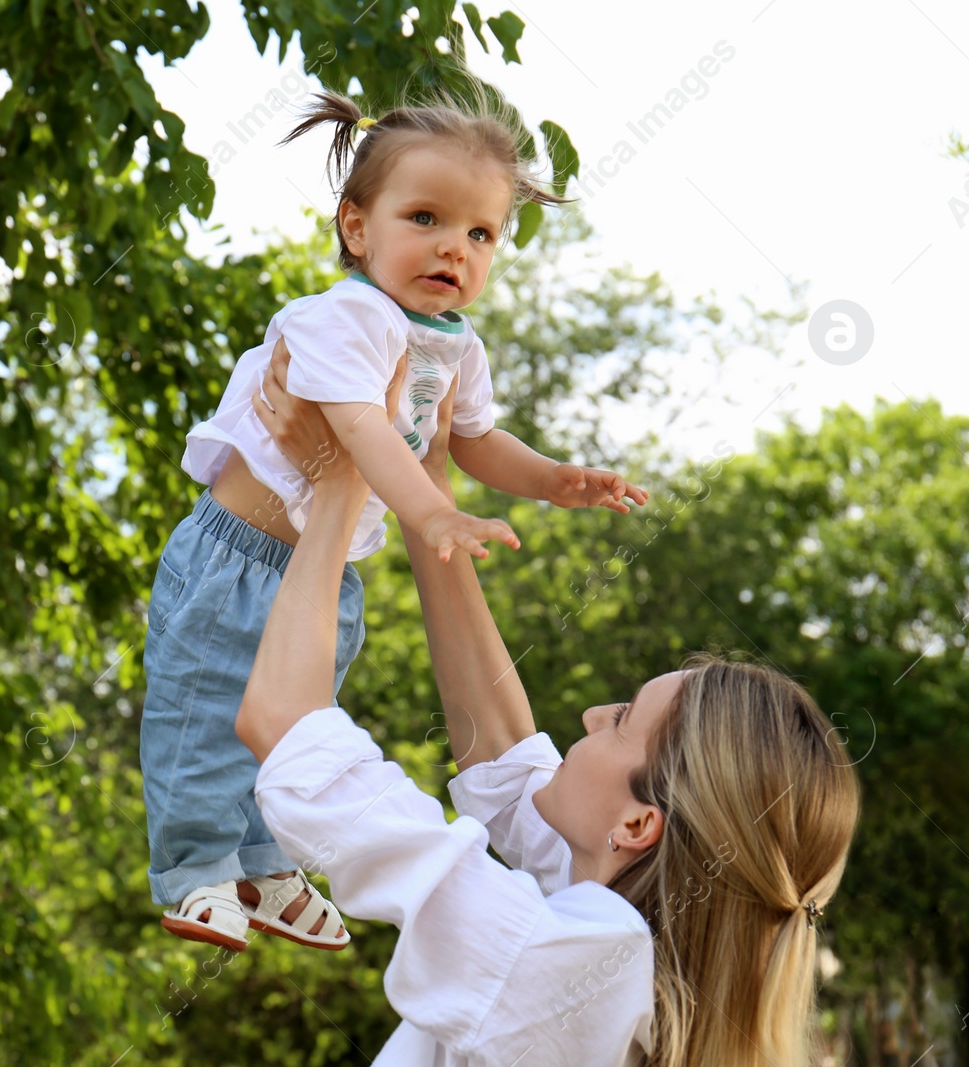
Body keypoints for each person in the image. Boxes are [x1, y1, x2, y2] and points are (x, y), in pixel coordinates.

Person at [235, 343, 862, 1066]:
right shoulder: (628, 947)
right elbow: (504, 756)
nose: (596, 713)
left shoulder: (578, 964)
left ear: (636, 823)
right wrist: (426, 475)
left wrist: (343, 483)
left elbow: (283, 726)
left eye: (623, 721)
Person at [141, 83, 647, 953]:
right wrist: (431, 514)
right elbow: (360, 430)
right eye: (425, 218)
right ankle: (192, 866)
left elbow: (472, 440)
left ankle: (261, 859)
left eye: (480, 233)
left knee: (302, 720)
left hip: (324, 571)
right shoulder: (346, 317)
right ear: (356, 227)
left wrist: (555, 479)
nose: (455, 247)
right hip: (238, 553)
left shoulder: (456, 344)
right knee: (205, 702)